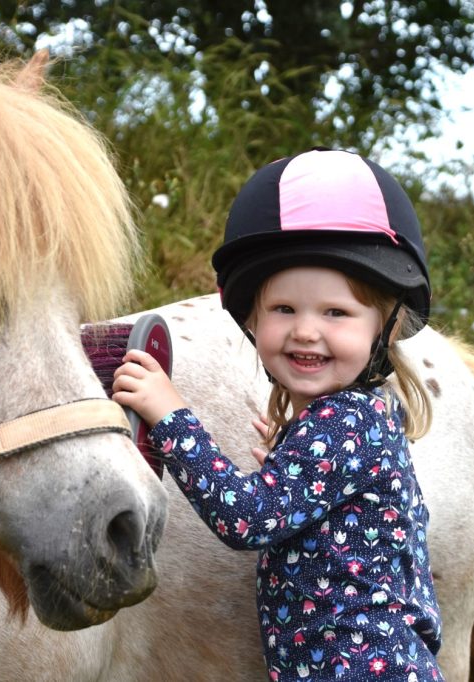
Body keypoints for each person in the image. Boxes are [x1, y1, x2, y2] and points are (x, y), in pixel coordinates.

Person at [113, 148, 444, 681]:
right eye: (284, 309)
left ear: (383, 326)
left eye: (336, 312)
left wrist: (169, 414)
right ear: (253, 319)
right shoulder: (364, 418)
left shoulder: (345, 424)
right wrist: (291, 463)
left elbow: (247, 518)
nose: (306, 331)